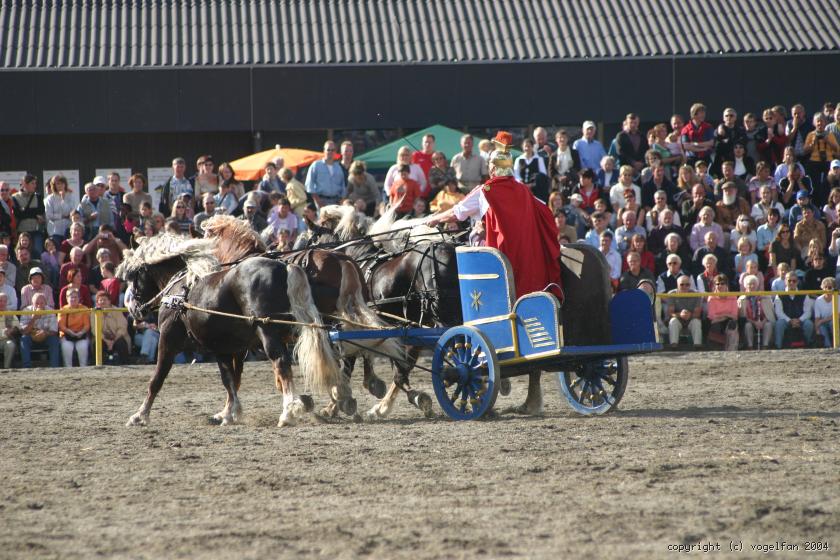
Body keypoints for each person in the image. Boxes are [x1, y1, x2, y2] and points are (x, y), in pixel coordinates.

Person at [426, 131, 560, 299]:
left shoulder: (485, 191)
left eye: (490, 163)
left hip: (498, 258)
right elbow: (544, 209)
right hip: (526, 258)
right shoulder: (523, 189)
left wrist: (434, 219)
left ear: (494, 168)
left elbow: (457, 212)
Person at [774, 272, 814, 348]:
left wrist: (799, 320)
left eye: (794, 281)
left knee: (808, 324)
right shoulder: (779, 295)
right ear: (785, 281)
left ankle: (808, 345)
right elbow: (779, 312)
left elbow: (808, 312)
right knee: (779, 324)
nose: (791, 283)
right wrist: (790, 320)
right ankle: (778, 346)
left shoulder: (804, 294)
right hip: (786, 321)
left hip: (800, 321)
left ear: (797, 282)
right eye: (789, 281)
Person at [19, 292, 60, 368]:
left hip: (46, 336)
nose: (39, 305)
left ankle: (55, 367)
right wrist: (33, 319)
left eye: (42, 303)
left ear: (46, 303)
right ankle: (27, 367)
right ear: (32, 303)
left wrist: (45, 333)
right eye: (36, 303)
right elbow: (23, 331)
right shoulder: (26, 310)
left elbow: (54, 331)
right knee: (24, 339)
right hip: (31, 336)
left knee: (54, 340)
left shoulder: (51, 311)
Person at [305, 141, 347, 208]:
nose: (330, 152)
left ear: (335, 152)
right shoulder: (316, 165)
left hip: (336, 203)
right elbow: (309, 184)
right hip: (321, 202)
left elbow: (343, 186)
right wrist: (317, 201)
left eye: (332, 150)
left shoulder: (338, 167)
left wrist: (341, 201)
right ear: (324, 151)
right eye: (328, 150)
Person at [738, 274, 775, 349]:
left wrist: (762, 322)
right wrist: (754, 322)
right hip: (750, 322)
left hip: (762, 321)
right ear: (745, 286)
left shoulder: (765, 297)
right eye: (749, 284)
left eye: (753, 284)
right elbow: (742, 316)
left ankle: (765, 345)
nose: (751, 286)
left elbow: (769, 314)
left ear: (757, 285)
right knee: (747, 326)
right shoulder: (741, 299)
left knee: (768, 325)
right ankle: (750, 346)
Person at [666, 275, 703, 348]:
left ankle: (697, 345)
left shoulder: (697, 294)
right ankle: (673, 345)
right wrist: (680, 315)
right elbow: (670, 312)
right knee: (673, 321)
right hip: (678, 319)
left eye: (687, 284)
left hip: (691, 319)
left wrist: (690, 315)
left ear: (690, 285)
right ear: (677, 285)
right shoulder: (672, 294)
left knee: (696, 322)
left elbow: (697, 313)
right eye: (682, 284)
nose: (684, 287)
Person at [705, 273, 739, 351]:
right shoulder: (711, 297)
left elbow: (735, 316)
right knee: (715, 325)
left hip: (728, 321)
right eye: (717, 284)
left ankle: (731, 350)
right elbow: (712, 316)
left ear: (726, 285)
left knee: (732, 324)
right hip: (716, 322)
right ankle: (717, 351)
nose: (720, 286)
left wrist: (722, 315)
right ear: (714, 286)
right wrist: (727, 315)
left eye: (722, 283)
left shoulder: (733, 296)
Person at [58, 287, 90, 367]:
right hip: (67, 335)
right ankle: (68, 369)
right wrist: (70, 332)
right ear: (67, 298)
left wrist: (81, 333)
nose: (73, 299)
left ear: (79, 298)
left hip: (81, 335)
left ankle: (84, 368)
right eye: (70, 297)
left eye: (75, 297)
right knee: (66, 347)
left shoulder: (84, 309)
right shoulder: (63, 310)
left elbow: (87, 325)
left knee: (83, 347)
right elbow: (61, 326)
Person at [96, 291, 131, 364]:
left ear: (109, 301)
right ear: (97, 302)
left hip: (117, 336)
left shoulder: (117, 310)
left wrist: (113, 341)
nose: (102, 302)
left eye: (105, 300)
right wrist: (107, 341)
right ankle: (98, 366)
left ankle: (125, 365)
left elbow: (122, 327)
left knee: (121, 343)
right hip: (102, 338)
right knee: (97, 343)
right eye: (100, 300)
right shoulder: (94, 312)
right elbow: (94, 330)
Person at [44, 174, 74, 247]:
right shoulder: (50, 199)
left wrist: (63, 199)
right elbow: (49, 215)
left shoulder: (70, 196)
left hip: (67, 228)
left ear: (65, 184)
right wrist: (62, 216)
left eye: (62, 183)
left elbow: (71, 211)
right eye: (57, 184)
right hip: (55, 230)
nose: (60, 186)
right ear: (54, 185)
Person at [547, 129, 580, 196]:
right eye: (560, 138)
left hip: (572, 184)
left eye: (564, 137)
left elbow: (577, 167)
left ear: (567, 139)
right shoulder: (553, 155)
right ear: (556, 140)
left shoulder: (574, 153)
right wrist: (559, 177)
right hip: (558, 185)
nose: (562, 139)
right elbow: (550, 172)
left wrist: (568, 176)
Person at [814, 277, 837, 347]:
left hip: (835, 321)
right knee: (821, 327)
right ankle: (828, 347)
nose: (827, 289)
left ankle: (837, 345)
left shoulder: (838, 298)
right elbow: (817, 318)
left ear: (834, 288)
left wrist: (821, 321)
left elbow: (837, 315)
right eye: (825, 287)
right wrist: (817, 329)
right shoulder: (818, 300)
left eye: (829, 287)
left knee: (833, 323)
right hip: (823, 322)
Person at [0, 292, 19, 367]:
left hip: (5, 340)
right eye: (0, 301)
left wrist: (12, 330)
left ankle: (6, 368)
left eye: (4, 301)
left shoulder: (10, 313)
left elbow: (18, 328)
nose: (2, 303)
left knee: (10, 345)